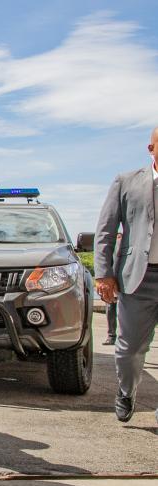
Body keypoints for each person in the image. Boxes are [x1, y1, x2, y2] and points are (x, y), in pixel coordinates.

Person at [94, 126, 158, 423]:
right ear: (151, 148)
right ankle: (127, 389)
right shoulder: (126, 182)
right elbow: (106, 231)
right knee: (130, 349)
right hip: (138, 279)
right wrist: (103, 274)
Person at [103, 232, 122, 346]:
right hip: (111, 281)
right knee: (110, 309)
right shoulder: (108, 247)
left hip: (127, 283)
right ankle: (111, 336)